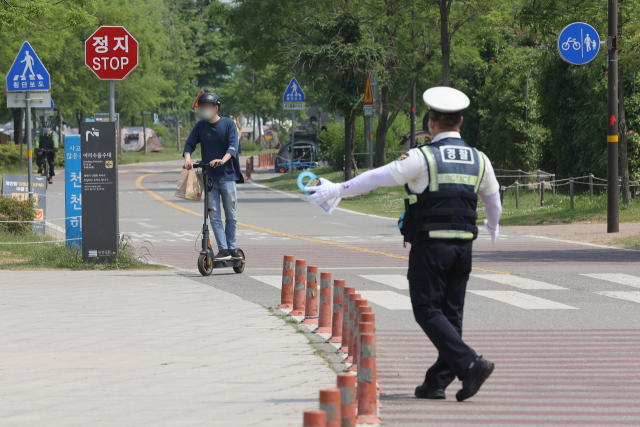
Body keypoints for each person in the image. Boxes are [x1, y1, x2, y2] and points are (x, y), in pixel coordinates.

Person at [306, 87, 502, 402]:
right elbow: (494, 203)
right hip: (464, 247)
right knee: (451, 314)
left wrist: (337, 189)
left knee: (426, 309)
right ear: (461, 122)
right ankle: (436, 381)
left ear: (431, 123)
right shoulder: (480, 159)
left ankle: (470, 364)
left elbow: (377, 177)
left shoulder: (422, 157)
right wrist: (492, 227)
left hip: (431, 246)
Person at [183, 93, 244, 261]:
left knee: (231, 215)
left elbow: (232, 147)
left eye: (208, 107)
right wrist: (188, 159)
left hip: (227, 175)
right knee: (214, 215)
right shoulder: (201, 126)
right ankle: (223, 249)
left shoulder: (229, 124)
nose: (205, 111)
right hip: (209, 177)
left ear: (216, 107)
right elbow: (190, 143)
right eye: (202, 108)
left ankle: (231, 246)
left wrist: (222, 160)